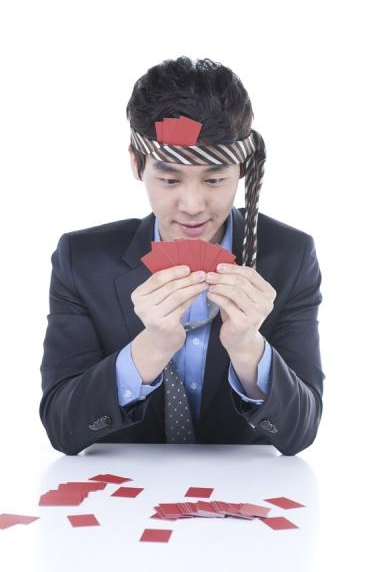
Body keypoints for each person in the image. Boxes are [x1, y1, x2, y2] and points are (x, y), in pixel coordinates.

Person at [39, 56, 324, 456]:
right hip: (125, 492)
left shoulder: (290, 257)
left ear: (242, 170)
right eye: (170, 179)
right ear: (136, 164)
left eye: (215, 179)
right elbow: (62, 429)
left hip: (243, 489)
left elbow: (300, 434)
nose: (192, 205)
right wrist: (151, 348)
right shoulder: (81, 261)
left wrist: (247, 347)